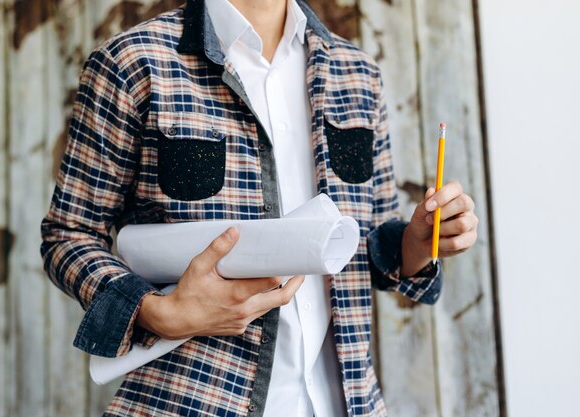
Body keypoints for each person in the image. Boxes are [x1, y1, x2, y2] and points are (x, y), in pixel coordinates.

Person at [40, 0, 478, 415]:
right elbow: (68, 236)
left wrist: (416, 243)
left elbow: (371, 248)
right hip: (192, 400)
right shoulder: (133, 63)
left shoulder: (358, 74)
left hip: (344, 402)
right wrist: (159, 313)